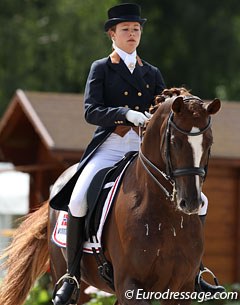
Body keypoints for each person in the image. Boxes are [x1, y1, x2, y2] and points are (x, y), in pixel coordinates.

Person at [51, 3, 224, 305]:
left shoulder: (151, 72)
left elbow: (164, 110)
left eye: (136, 29)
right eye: (126, 29)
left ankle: (195, 272)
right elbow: (91, 111)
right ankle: (72, 275)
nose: (132, 34)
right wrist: (125, 114)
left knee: (202, 200)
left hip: (142, 149)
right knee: (78, 199)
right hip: (110, 146)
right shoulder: (101, 68)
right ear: (112, 34)